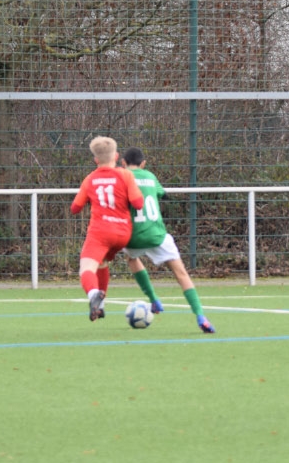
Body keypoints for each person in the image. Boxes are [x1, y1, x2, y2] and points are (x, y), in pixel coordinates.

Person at [120, 146, 215, 334]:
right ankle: (200, 316)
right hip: (157, 234)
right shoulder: (150, 176)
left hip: (133, 235)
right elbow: (163, 194)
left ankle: (154, 299)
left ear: (123, 162)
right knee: (181, 274)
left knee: (131, 258)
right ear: (143, 163)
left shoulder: (121, 177)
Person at [70, 136, 144, 321]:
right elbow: (138, 203)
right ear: (116, 156)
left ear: (96, 159)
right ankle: (100, 306)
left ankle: (94, 294)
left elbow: (75, 208)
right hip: (122, 233)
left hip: (100, 232)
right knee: (102, 262)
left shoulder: (90, 179)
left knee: (86, 268)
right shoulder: (126, 175)